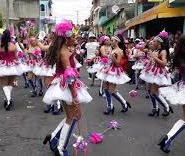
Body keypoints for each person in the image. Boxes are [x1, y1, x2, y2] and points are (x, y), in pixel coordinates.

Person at [43, 20, 92, 156]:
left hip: (63, 84)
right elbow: (69, 76)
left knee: (71, 116)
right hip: (67, 86)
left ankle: (53, 137)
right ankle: (60, 148)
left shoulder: (64, 50)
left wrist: (73, 51)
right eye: (73, 37)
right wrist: (75, 96)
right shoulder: (64, 52)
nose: (76, 40)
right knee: (74, 116)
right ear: (66, 37)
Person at [0, 30, 24, 110]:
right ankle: (7, 99)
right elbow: (16, 57)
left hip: (3, 66)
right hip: (13, 66)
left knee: (4, 84)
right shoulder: (13, 45)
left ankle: (8, 100)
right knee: (10, 83)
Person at [140, 30, 173, 117]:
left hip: (159, 72)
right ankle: (155, 109)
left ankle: (166, 107)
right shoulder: (154, 50)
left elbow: (164, 63)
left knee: (154, 92)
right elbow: (142, 49)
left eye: (154, 41)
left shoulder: (163, 51)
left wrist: (154, 57)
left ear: (159, 42)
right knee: (150, 91)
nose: (152, 42)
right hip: (152, 71)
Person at [96, 34, 131, 115]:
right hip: (107, 69)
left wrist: (113, 58)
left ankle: (124, 103)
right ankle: (110, 106)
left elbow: (118, 64)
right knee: (105, 89)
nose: (111, 42)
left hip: (114, 71)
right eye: (110, 40)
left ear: (117, 41)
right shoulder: (111, 49)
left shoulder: (119, 51)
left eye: (112, 40)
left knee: (112, 91)